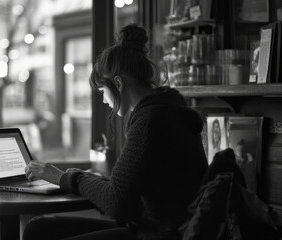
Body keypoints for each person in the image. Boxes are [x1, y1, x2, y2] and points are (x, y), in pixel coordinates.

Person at [23, 23, 208, 240]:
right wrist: (76, 177)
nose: (103, 99)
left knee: (39, 231)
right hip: (162, 229)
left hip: (158, 235)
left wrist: (63, 177)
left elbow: (116, 203)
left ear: (118, 84)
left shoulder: (150, 121)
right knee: (39, 228)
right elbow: (123, 190)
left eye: (103, 90)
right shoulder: (168, 110)